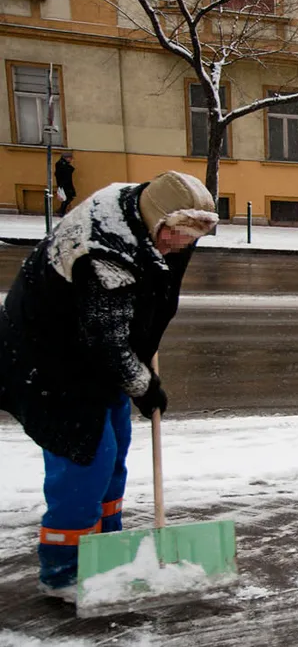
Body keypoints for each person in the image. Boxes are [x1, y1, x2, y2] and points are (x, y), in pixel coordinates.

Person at [0, 171, 217, 601]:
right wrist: (143, 384)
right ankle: (63, 570)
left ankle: (104, 548)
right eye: (175, 234)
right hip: (51, 363)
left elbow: (141, 301)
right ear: (156, 219)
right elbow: (104, 339)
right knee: (87, 460)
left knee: (114, 450)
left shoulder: (142, 210)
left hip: (91, 354)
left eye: (191, 237)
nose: (180, 244)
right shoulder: (105, 254)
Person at [54, 152, 76, 216]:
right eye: (70, 158)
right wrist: (61, 184)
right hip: (64, 184)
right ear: (66, 158)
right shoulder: (62, 164)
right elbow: (61, 174)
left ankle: (61, 210)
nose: (71, 160)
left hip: (66, 183)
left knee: (69, 197)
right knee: (67, 197)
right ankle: (61, 211)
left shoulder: (63, 164)